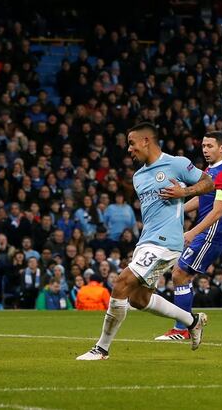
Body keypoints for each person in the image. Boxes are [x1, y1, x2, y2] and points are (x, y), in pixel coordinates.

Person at [77, 122, 213, 360]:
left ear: (146, 141)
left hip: (166, 241)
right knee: (139, 300)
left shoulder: (177, 163)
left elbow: (209, 183)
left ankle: (101, 349)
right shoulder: (138, 176)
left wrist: (185, 192)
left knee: (121, 283)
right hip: (147, 241)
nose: (129, 150)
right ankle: (192, 321)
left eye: (131, 143)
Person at [155, 132, 222, 342]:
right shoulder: (210, 171)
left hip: (213, 231)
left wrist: (193, 231)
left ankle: (182, 328)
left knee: (180, 273)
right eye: (203, 146)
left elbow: (218, 210)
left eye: (210, 146)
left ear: (221, 148)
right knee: (181, 274)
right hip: (207, 230)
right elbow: (202, 201)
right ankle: (186, 325)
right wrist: (178, 212)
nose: (205, 150)